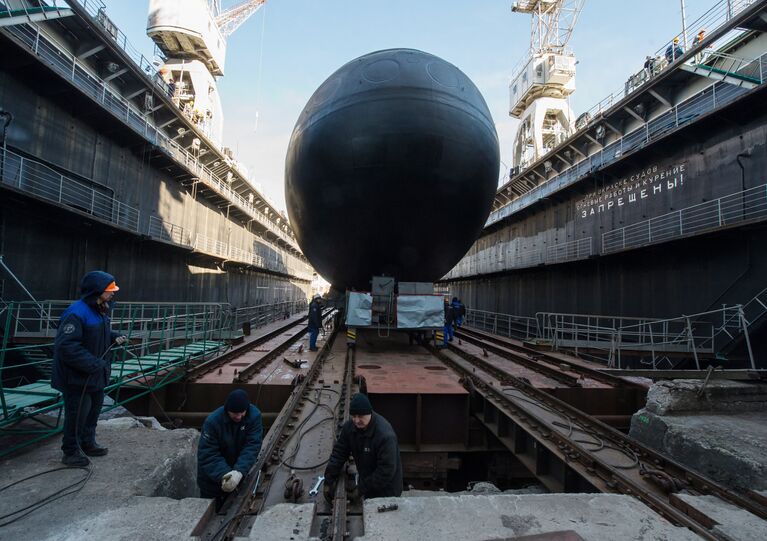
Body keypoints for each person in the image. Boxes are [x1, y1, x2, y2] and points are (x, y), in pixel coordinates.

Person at [52, 271, 126, 466]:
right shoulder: (76, 313)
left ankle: (88, 442)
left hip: (95, 376)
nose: (113, 294)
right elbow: (67, 346)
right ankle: (70, 451)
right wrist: (93, 363)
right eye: (109, 290)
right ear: (97, 291)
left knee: (93, 410)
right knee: (77, 414)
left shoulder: (99, 309)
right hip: (77, 378)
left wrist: (112, 336)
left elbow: (98, 331)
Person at [323, 393, 402, 502]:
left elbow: (386, 471)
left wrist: (360, 489)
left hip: (387, 491)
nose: (356, 420)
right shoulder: (350, 428)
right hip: (368, 482)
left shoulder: (385, 436)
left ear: (369, 412)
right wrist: (328, 480)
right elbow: (339, 453)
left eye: (360, 416)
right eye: (354, 416)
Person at [197, 389, 263, 509]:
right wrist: (225, 475)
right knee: (210, 514)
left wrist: (239, 471)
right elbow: (208, 454)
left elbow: (252, 446)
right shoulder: (212, 422)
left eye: (241, 412)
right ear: (227, 410)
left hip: (237, 474)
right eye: (234, 413)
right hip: (212, 480)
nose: (238, 417)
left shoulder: (254, 416)